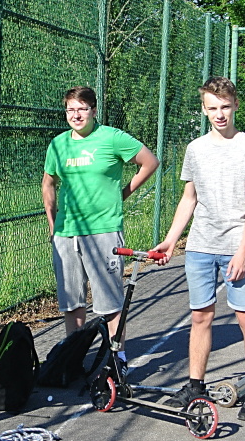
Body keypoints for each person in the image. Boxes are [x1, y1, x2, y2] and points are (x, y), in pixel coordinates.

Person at [151, 76, 245, 421]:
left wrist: (242, 252)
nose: (220, 114)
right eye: (213, 107)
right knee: (200, 316)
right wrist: (171, 239)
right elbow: (189, 198)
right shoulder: (195, 149)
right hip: (200, 246)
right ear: (204, 109)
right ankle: (195, 386)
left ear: (235, 106)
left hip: (236, 247)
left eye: (225, 107)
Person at [42, 86, 159, 379]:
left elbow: (150, 162)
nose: (76, 115)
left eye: (82, 109)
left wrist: (122, 194)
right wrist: (53, 225)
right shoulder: (58, 144)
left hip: (103, 231)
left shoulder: (112, 138)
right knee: (72, 303)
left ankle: (117, 360)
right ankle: (73, 361)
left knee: (109, 303)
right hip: (67, 233)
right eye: (71, 109)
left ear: (94, 111)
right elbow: (48, 183)